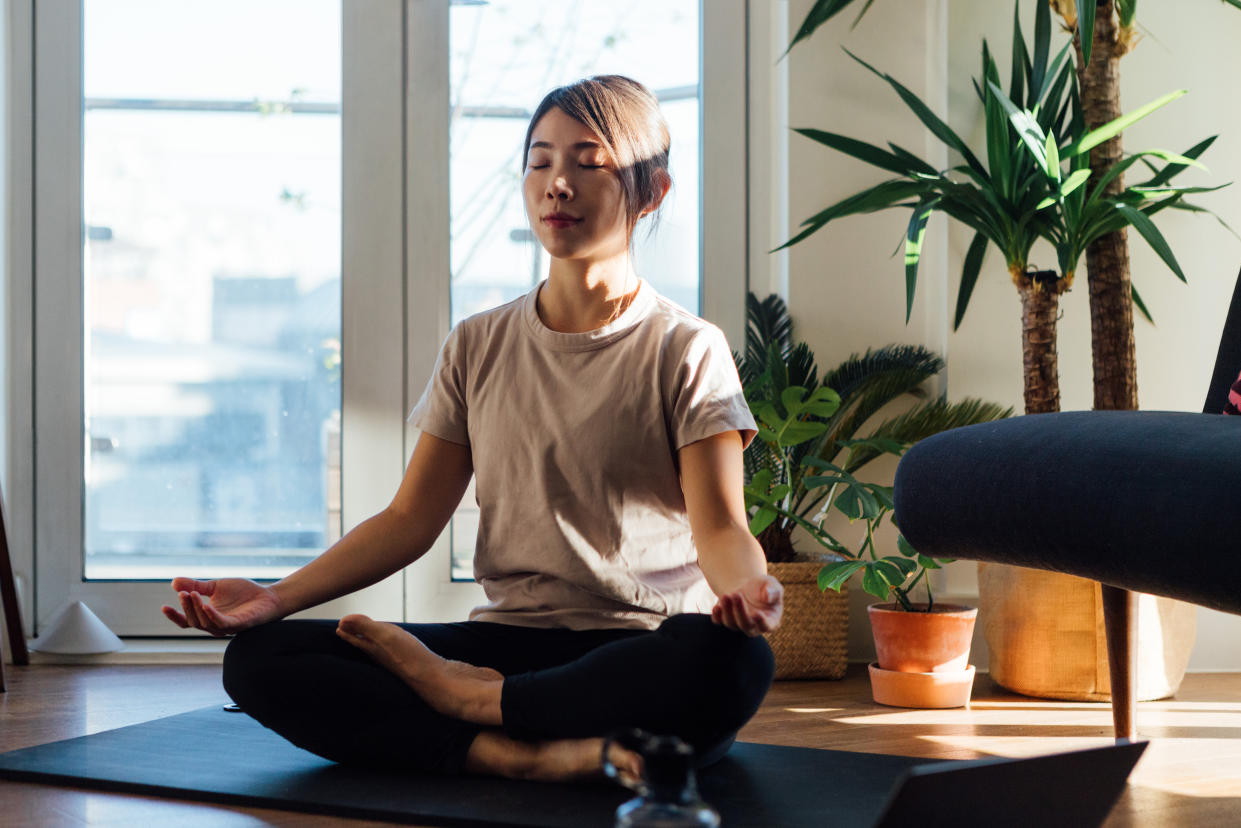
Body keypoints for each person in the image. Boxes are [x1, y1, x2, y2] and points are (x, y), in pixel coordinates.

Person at [162, 74, 782, 782]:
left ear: (652, 192)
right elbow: (408, 519)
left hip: (633, 647)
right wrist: (274, 599)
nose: (557, 184)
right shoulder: (477, 343)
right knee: (261, 658)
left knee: (731, 662)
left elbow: (720, 528)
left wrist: (752, 593)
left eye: (588, 162)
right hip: (508, 642)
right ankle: (511, 748)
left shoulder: (686, 347)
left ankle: (473, 707)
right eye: (540, 161)